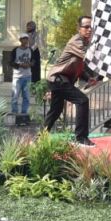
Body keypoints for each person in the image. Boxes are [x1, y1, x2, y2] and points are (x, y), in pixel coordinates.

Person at [44, 15, 99, 147]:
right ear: (78, 28)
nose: (89, 29)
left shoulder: (84, 43)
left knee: (55, 111)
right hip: (58, 79)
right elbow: (88, 58)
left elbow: (79, 65)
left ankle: (41, 136)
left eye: (91, 27)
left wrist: (87, 78)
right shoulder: (76, 41)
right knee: (82, 100)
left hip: (60, 80)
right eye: (86, 27)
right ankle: (81, 138)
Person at [11, 34, 33, 125]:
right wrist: (20, 65)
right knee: (15, 96)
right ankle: (14, 114)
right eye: (24, 39)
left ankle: (24, 115)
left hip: (28, 76)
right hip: (17, 76)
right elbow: (11, 62)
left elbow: (34, 60)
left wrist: (30, 64)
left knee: (26, 97)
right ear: (20, 40)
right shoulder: (15, 50)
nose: (26, 40)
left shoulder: (30, 50)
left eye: (27, 39)